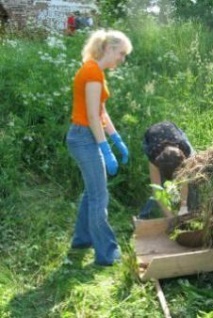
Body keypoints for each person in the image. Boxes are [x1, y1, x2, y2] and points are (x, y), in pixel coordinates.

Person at [66, 29, 133, 266]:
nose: (122, 59)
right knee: (99, 195)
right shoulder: (93, 71)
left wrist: (117, 140)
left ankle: (82, 239)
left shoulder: (96, 71)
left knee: (92, 191)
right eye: (121, 54)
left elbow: (101, 113)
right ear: (110, 48)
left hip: (85, 135)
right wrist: (106, 150)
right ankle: (106, 253)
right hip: (84, 137)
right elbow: (93, 118)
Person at [139, 121, 195, 219]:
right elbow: (156, 189)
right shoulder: (154, 156)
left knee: (193, 179)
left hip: (175, 134)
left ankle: (192, 210)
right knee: (162, 188)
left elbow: (184, 180)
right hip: (152, 138)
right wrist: (170, 217)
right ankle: (144, 216)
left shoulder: (186, 152)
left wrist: (183, 206)